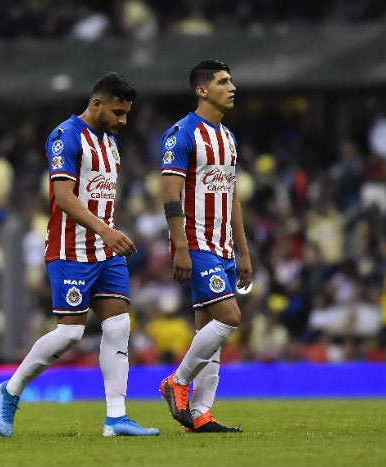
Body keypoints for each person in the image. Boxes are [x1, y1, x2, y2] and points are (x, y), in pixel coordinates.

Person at [0, 72, 159, 438]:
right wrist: (106, 230)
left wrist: (107, 234)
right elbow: (64, 197)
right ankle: (10, 390)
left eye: (127, 113)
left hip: (106, 251)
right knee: (70, 333)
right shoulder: (65, 136)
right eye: (118, 112)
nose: (123, 120)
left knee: (118, 326)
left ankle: (116, 419)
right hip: (70, 250)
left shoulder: (111, 142)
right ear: (96, 103)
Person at [159, 59, 252, 433]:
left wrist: (243, 251)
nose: (232, 87)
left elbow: (231, 196)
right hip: (196, 243)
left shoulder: (228, 138)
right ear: (202, 90)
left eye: (231, 80)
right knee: (230, 318)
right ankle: (176, 382)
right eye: (223, 81)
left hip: (223, 245)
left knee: (209, 332)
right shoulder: (181, 133)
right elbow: (169, 193)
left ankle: (200, 414)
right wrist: (180, 247)